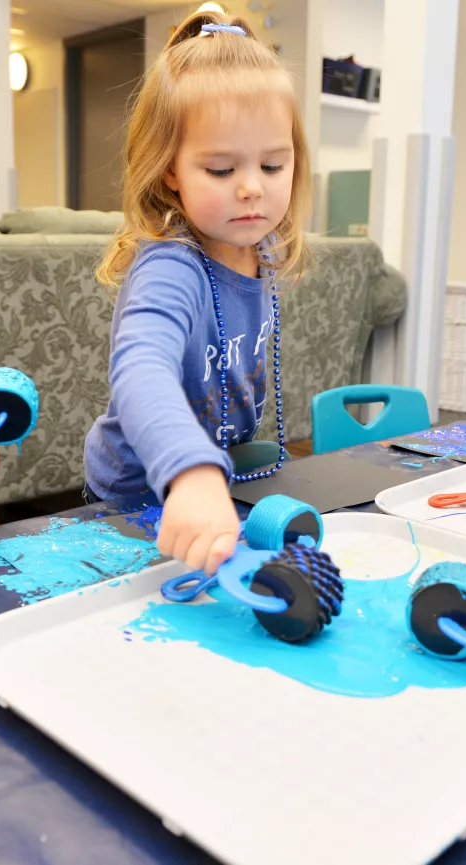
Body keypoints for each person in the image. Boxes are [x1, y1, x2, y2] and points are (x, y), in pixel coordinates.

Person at [83, 11, 312, 576]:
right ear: (170, 171)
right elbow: (141, 371)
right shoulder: (171, 265)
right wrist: (189, 470)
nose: (252, 186)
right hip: (136, 495)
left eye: (273, 163)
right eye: (219, 168)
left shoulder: (261, 250)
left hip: (213, 479)